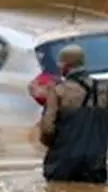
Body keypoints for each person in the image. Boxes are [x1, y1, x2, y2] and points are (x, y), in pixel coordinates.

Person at [36, 44, 108, 183]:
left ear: (65, 67)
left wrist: (54, 144)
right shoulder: (104, 90)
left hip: (61, 164)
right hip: (95, 164)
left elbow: (47, 128)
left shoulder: (58, 91)